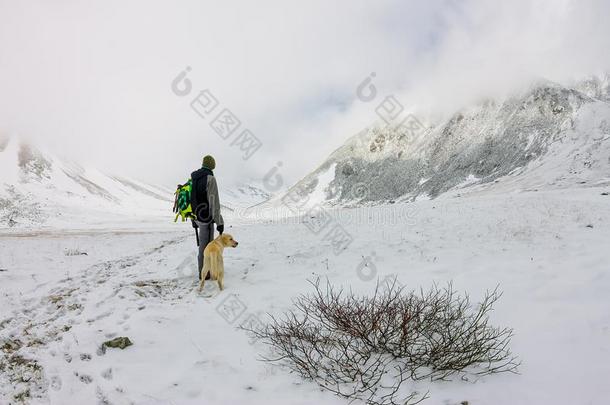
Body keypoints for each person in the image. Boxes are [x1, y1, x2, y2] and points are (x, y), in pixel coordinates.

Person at [190, 155, 224, 280]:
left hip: (196, 217)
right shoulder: (210, 178)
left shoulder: (194, 178)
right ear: (212, 165)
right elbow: (214, 202)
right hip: (206, 219)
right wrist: (219, 221)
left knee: (203, 248)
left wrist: (193, 219)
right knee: (206, 248)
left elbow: (192, 199)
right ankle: (204, 274)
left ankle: (205, 271)